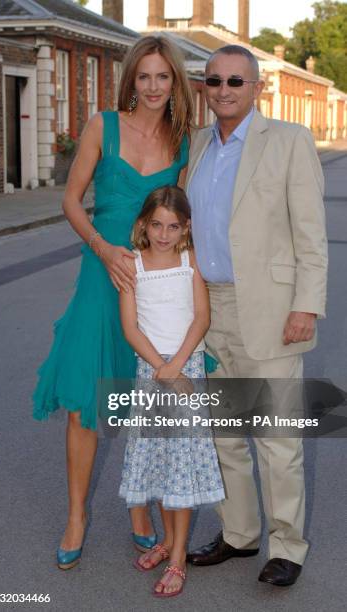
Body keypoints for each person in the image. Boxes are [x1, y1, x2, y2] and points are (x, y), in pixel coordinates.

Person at [32, 35, 194, 569]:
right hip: (102, 277)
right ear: (132, 79)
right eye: (144, 76)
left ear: (174, 82)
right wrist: (102, 249)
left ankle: (139, 508)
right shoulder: (104, 125)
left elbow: (182, 219)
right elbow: (71, 200)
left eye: (162, 77)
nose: (152, 86)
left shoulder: (183, 139)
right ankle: (76, 515)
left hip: (153, 286)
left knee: (143, 398)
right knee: (84, 401)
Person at [185, 45, 328, 586]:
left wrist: (305, 306)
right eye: (214, 80)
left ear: (257, 87)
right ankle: (240, 535)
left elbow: (311, 235)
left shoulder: (288, 141)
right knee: (224, 434)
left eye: (236, 81)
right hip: (211, 309)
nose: (224, 89)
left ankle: (287, 545)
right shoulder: (199, 143)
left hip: (271, 311)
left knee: (276, 438)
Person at [118, 185, 225, 597]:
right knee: (162, 461)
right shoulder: (134, 266)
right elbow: (131, 327)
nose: (164, 234)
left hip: (186, 369)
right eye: (157, 224)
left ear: (186, 229)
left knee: (181, 459)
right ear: (145, 223)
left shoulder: (190, 261)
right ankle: (167, 540)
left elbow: (201, 318)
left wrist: (176, 365)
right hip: (151, 371)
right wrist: (159, 367)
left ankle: (178, 557)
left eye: (173, 226)